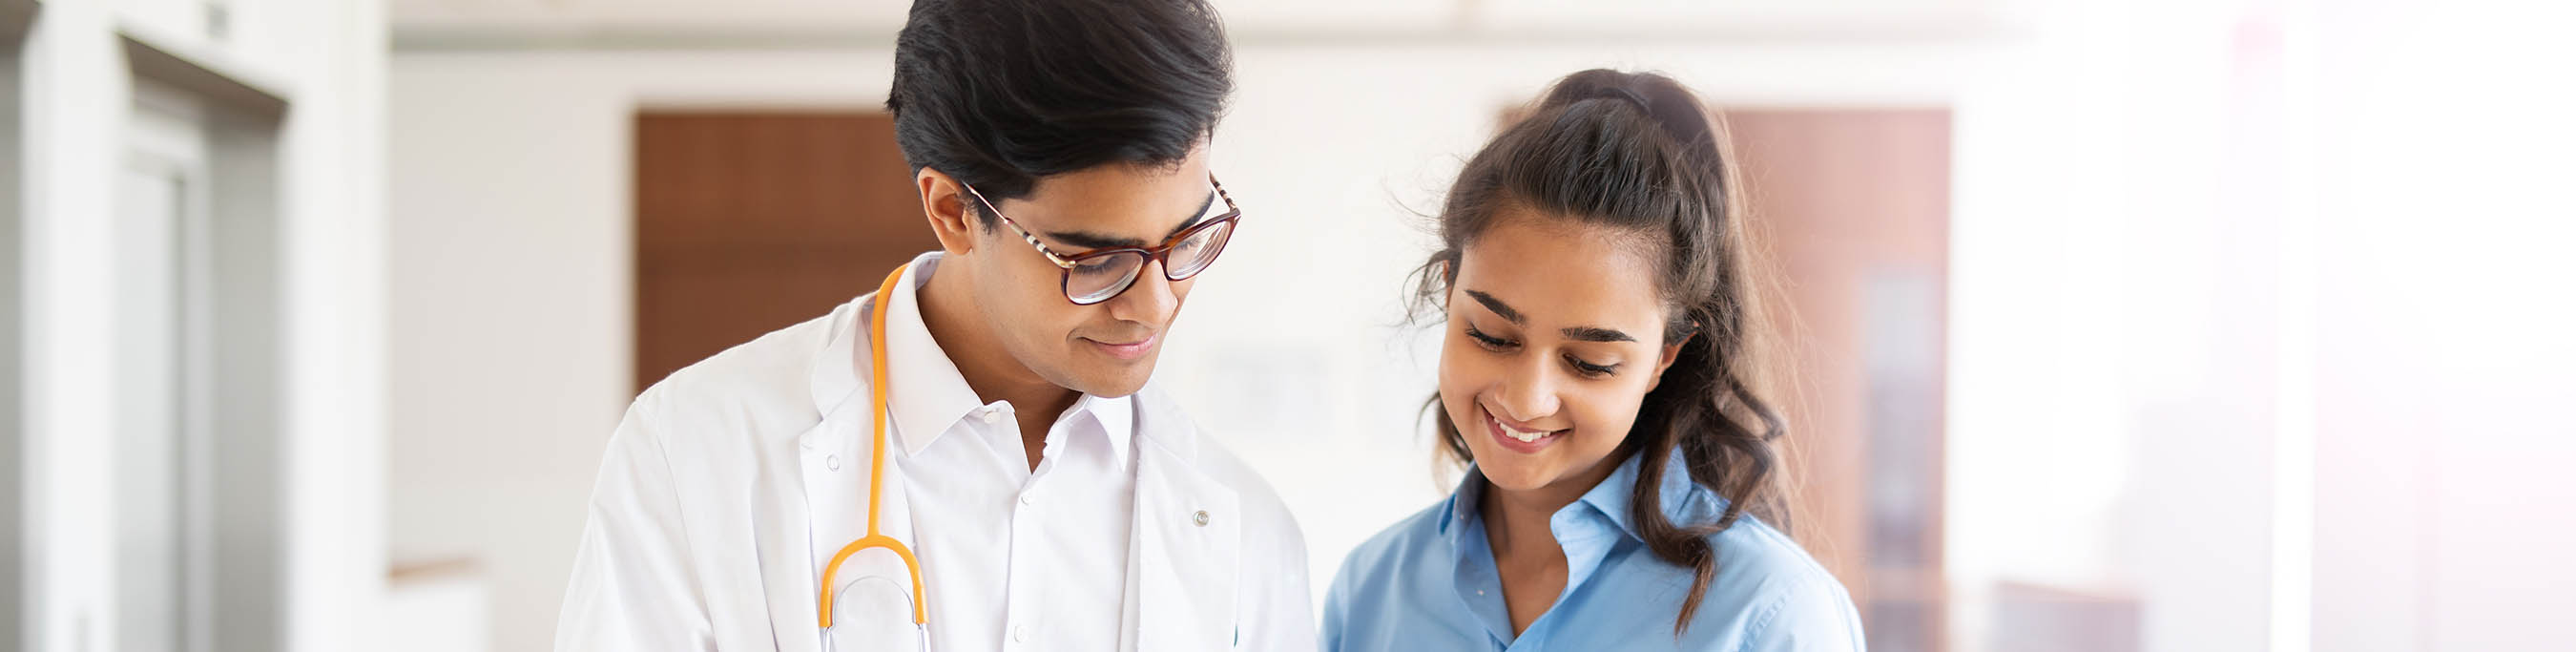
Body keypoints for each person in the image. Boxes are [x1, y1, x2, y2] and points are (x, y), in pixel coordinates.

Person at [553, 1, 1313, 649]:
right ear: (952, 210)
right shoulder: (693, 455)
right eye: (1096, 260)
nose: (1152, 304)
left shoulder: (1248, 532)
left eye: (1187, 239)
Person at [1319, 69, 1864, 651]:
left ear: (1665, 358)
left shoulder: (1771, 614)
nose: (1526, 398)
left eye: (1589, 362)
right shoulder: (1371, 591)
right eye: (1492, 336)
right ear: (1449, 293)